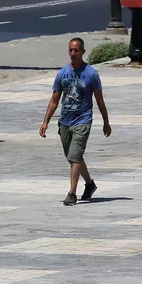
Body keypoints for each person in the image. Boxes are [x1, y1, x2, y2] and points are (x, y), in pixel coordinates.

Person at [38, 37, 111, 206]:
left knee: (75, 156)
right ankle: (90, 184)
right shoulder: (62, 73)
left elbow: (100, 100)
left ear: (83, 52)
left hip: (83, 120)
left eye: (76, 50)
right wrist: (45, 122)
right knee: (73, 157)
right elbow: (54, 100)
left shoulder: (91, 74)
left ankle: (72, 193)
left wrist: (106, 122)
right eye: (70, 50)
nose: (73, 53)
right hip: (65, 121)